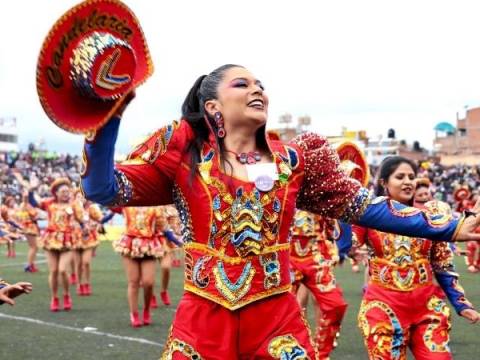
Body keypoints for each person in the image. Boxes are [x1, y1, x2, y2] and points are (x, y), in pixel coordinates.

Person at [79, 64, 480, 359]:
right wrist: (106, 122)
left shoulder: (295, 160)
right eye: (243, 84)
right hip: (202, 317)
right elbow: (102, 188)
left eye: (261, 85)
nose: (258, 90)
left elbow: (364, 207)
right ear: (212, 104)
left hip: (275, 318)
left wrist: (451, 226)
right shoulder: (182, 156)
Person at [352, 156, 479, 360]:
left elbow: (442, 265)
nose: (407, 181)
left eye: (411, 176)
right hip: (384, 307)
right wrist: (343, 206)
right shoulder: (366, 216)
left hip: (426, 307)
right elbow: (346, 245)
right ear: (384, 182)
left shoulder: (433, 218)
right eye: (400, 176)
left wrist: (460, 303)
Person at [290, 210, 347, 358]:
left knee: (335, 304)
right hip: (284, 255)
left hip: (316, 255)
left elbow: (332, 225)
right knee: (283, 308)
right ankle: (295, 346)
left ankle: (320, 353)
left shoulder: (320, 189)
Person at [29, 178, 85, 311]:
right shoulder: (49, 203)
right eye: (63, 191)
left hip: (67, 240)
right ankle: (54, 297)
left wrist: (84, 225)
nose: (66, 193)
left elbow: (81, 219)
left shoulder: (73, 205)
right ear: (56, 193)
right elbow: (34, 203)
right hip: (51, 239)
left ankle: (66, 295)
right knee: (53, 271)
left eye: (67, 191)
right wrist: (31, 190)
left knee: (62, 270)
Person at [113, 206, 163, 327]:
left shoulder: (155, 206)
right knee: (133, 282)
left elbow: (161, 227)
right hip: (129, 244)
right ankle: (134, 313)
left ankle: (146, 309)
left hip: (149, 244)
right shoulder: (126, 203)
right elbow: (110, 204)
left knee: (148, 282)